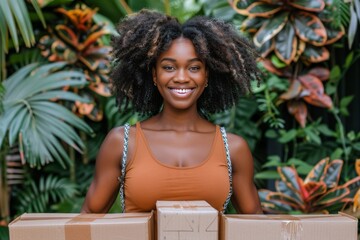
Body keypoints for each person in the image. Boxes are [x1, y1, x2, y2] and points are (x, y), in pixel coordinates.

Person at [81, 9, 263, 214]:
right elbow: (88, 221)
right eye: (169, 67)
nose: (181, 78)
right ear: (155, 75)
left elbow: (254, 225)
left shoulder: (233, 148)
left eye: (194, 68)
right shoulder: (122, 143)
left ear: (207, 76)